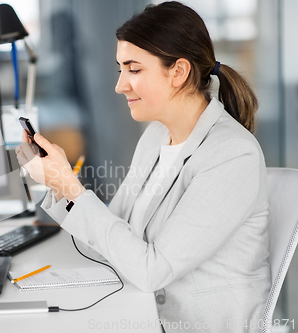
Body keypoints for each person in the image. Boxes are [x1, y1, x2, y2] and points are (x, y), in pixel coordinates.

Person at [15, 1, 270, 332]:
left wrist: (70, 186)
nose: (120, 85)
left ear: (178, 71)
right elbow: (112, 230)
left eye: (134, 70)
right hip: (142, 312)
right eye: (120, 69)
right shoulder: (156, 135)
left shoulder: (233, 155)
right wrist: (57, 181)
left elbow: (153, 270)